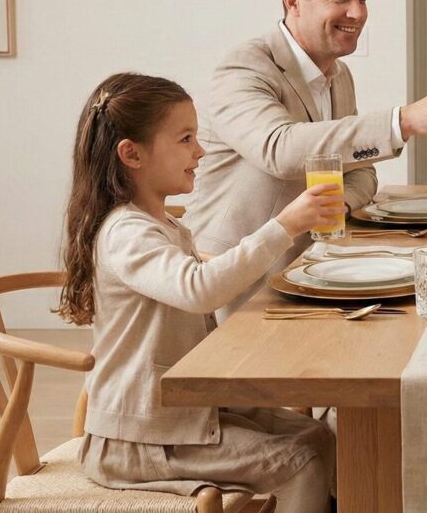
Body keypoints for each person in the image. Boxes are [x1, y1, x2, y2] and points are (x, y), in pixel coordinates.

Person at [59, 73, 341, 512]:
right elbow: (197, 290)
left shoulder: (162, 226)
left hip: (177, 418)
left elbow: (198, 278)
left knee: (318, 435)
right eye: (186, 139)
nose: (201, 150)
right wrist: (284, 225)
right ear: (131, 154)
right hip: (135, 438)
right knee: (300, 460)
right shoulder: (126, 233)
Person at [186, 0, 427, 319]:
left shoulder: (339, 75)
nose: (357, 13)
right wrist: (403, 120)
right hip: (234, 288)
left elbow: (362, 172)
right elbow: (280, 150)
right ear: (293, 1)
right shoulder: (244, 68)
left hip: (313, 274)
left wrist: (332, 205)